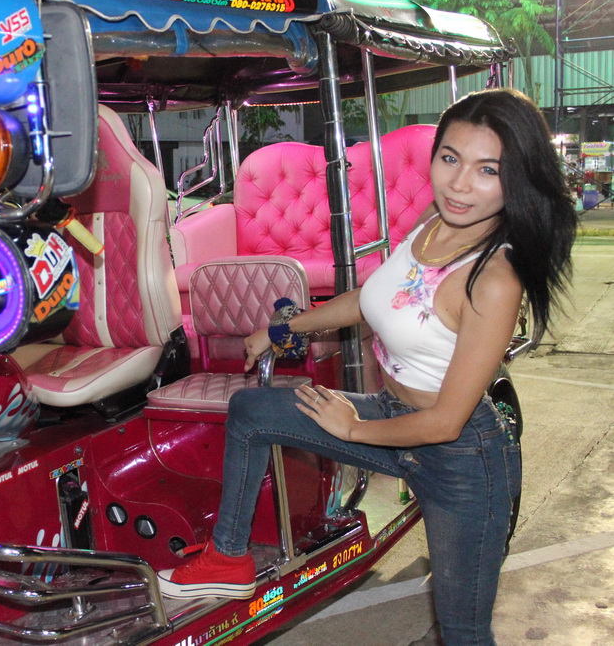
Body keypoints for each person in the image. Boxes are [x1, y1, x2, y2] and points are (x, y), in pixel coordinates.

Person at [157, 88, 577, 646]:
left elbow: (446, 421)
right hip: (391, 415)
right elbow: (371, 297)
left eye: (487, 170)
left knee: (463, 633)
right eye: (450, 158)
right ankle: (229, 558)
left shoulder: (494, 278)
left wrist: (353, 429)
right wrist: (282, 329)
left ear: (517, 178)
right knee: (252, 410)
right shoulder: (433, 221)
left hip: (461, 460)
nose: (459, 184)